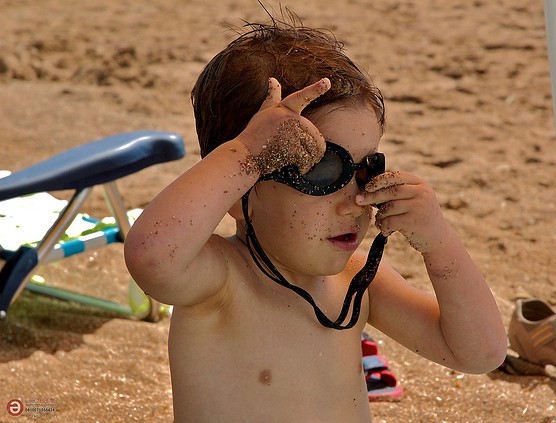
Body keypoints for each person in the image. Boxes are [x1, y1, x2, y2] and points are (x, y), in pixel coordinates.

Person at [124, 12, 507, 423]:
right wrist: (246, 153)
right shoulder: (220, 282)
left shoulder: (358, 283)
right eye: (324, 172)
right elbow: (151, 256)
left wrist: (439, 241)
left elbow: (479, 352)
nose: (355, 201)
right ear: (237, 195)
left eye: (366, 169)